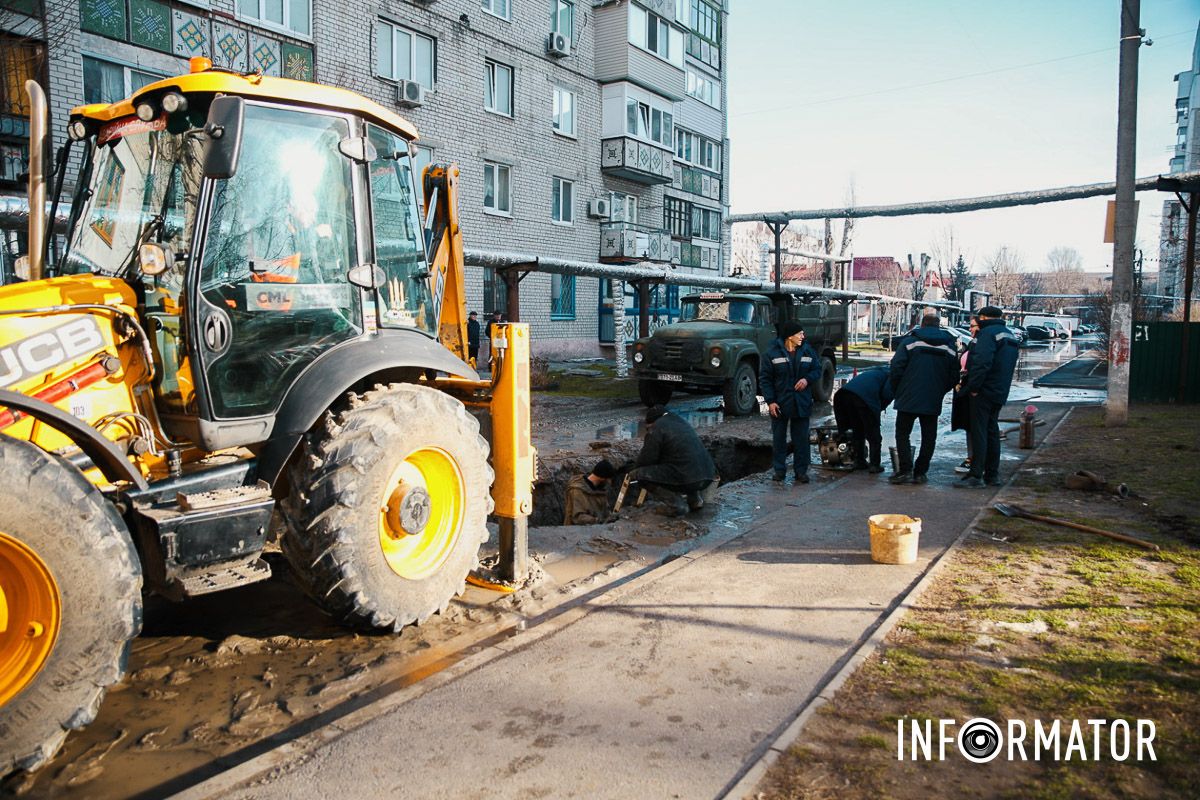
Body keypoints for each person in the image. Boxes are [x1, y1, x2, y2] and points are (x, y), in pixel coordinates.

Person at [888, 312, 960, 485]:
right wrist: (941, 390)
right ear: (938, 325)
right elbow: (954, 375)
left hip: (908, 396)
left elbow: (896, 368)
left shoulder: (910, 342)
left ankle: (905, 470)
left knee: (902, 433)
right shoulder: (949, 345)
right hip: (933, 397)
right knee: (929, 436)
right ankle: (920, 472)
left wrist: (899, 389)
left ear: (922, 324)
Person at [956, 306, 1021, 489]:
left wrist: (973, 388)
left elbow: (981, 363)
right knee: (992, 431)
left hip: (983, 391)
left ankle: (976, 475)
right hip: (1000, 390)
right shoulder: (1009, 334)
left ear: (983, 318)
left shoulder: (987, 334)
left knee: (979, 432)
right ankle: (992, 475)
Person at [760, 320, 823, 484]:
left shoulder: (808, 351)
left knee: (801, 439)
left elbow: (817, 369)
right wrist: (771, 401)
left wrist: (807, 379)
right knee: (779, 439)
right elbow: (765, 379)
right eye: (800, 333)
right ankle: (779, 471)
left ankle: (801, 472)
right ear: (790, 336)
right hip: (780, 402)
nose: (803, 336)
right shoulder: (772, 354)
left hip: (801, 402)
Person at [629, 406, 716, 516]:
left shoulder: (656, 428)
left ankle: (677, 505)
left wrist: (635, 469)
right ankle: (695, 500)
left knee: (641, 475)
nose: (647, 430)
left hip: (687, 477)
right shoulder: (680, 422)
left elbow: (647, 459)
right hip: (708, 474)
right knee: (683, 465)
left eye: (647, 428)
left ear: (651, 423)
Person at [833, 366, 894, 473]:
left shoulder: (875, 372)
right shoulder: (890, 376)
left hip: (845, 395)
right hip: (864, 398)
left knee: (858, 430)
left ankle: (859, 461)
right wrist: (879, 409)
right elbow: (887, 394)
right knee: (874, 435)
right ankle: (874, 465)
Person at [951, 317, 980, 475]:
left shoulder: (981, 343)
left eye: (972, 326)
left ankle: (975, 460)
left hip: (972, 390)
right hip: (965, 387)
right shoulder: (973, 342)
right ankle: (971, 458)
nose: (969, 329)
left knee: (974, 427)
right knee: (969, 427)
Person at [563, 460, 617, 525]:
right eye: (609, 479)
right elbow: (578, 517)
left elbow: (605, 510)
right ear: (603, 478)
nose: (609, 482)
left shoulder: (599, 489)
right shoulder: (577, 491)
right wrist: (597, 520)